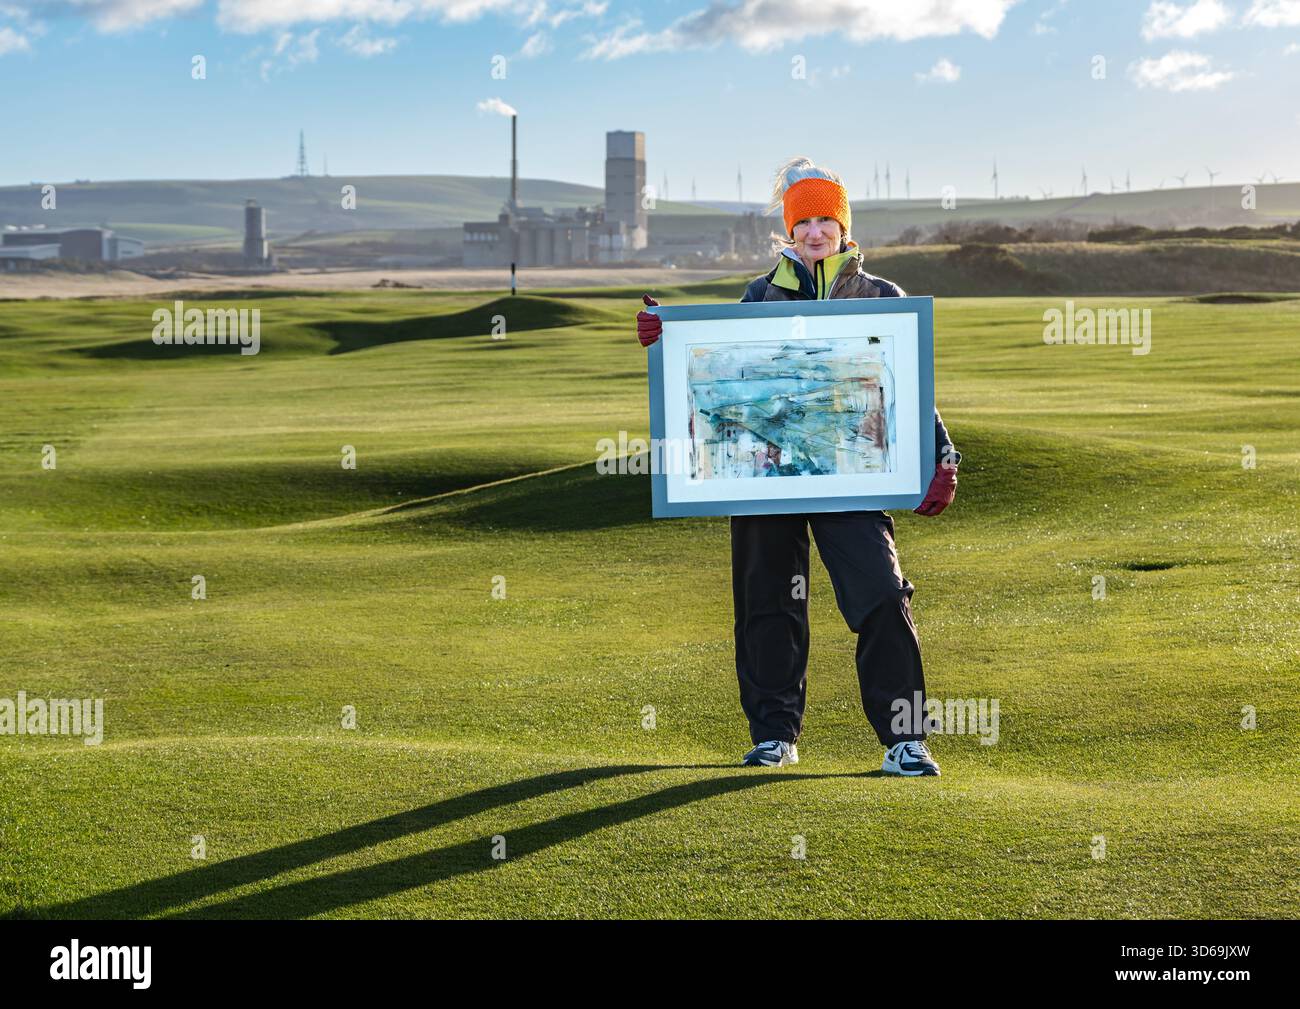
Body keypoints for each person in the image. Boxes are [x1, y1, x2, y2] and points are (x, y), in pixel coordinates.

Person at [635, 157, 960, 777]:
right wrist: (667, 338)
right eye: (803, 220)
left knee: (883, 596)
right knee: (767, 602)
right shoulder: (760, 293)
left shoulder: (880, 295)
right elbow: (723, 372)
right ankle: (774, 734)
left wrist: (942, 455)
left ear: (843, 227)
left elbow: (913, 387)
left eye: (826, 220)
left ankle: (905, 740)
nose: (815, 231)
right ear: (790, 228)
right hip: (765, 476)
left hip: (855, 474)